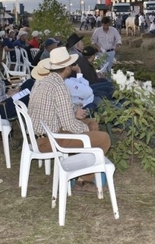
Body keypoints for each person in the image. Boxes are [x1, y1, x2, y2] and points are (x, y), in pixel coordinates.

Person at [28, 47, 110, 192]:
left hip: (40, 134)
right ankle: (82, 180)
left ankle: (82, 167)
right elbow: (69, 124)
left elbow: (56, 108)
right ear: (66, 67)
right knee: (103, 138)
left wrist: (74, 112)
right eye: (71, 65)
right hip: (50, 140)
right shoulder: (60, 86)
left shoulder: (42, 81)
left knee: (92, 122)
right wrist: (86, 129)